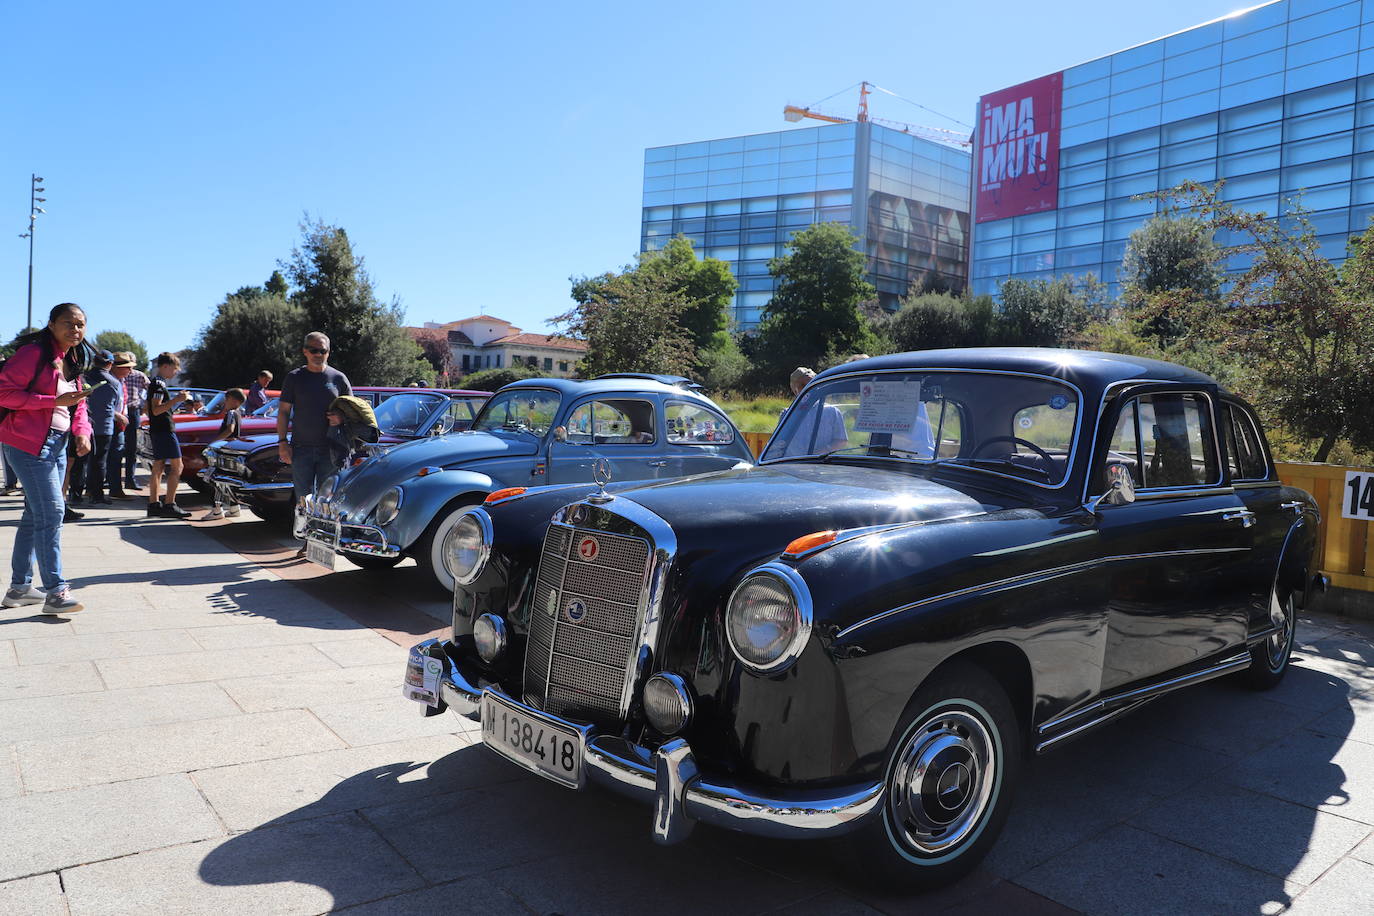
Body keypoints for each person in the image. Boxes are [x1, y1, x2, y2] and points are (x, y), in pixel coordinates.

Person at [0, 302, 95, 614]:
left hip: (56, 444)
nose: (75, 329)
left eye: (80, 324)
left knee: (34, 515)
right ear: (52, 324)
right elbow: (4, 393)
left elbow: (77, 404)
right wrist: (51, 401)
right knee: (53, 513)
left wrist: (82, 431)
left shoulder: (73, 357)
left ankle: (19, 588)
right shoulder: (34, 353)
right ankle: (56, 592)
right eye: (68, 323)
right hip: (27, 444)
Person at [278, 331, 351, 501]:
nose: (318, 354)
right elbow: (283, 411)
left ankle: (325, 528)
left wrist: (341, 418)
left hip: (332, 449)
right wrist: (282, 443)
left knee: (329, 501)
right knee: (303, 501)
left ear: (329, 352)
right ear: (305, 351)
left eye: (322, 351)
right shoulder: (294, 378)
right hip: (301, 449)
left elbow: (353, 411)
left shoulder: (339, 378)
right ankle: (302, 528)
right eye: (313, 350)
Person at [71, 350, 122, 506]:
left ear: (94, 361)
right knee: (99, 462)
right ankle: (96, 495)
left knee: (79, 461)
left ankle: (75, 494)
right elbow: (117, 405)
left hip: (82, 425)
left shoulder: (82, 378)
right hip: (104, 426)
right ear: (110, 364)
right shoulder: (114, 382)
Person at [145, 352, 192, 519]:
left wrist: (171, 407)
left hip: (158, 429)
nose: (176, 371)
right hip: (164, 429)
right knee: (177, 467)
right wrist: (177, 400)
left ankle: (154, 503)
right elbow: (156, 409)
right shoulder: (158, 384)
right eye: (175, 368)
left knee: (158, 466)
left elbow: (150, 408)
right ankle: (170, 504)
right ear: (165, 366)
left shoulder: (156, 383)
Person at [779, 367, 848, 457]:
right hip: (792, 465)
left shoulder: (832, 411)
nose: (809, 389)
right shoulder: (787, 414)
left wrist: (823, 451)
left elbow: (841, 440)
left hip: (821, 464)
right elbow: (780, 444)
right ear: (795, 390)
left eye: (811, 384)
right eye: (803, 385)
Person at [202, 388, 246, 520]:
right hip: (231, 451)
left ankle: (217, 510)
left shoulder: (231, 413)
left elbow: (230, 429)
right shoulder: (238, 413)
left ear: (234, 401)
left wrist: (215, 441)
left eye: (227, 399)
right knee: (227, 480)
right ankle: (234, 508)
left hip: (223, 450)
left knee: (216, 479)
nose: (225, 402)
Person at [119, 352, 149, 491]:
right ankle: (111, 479)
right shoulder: (116, 375)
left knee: (132, 447)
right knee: (117, 446)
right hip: (119, 412)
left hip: (133, 411)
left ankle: (130, 479)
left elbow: (151, 390)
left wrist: (145, 406)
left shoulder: (140, 375)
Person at [107, 354, 134, 497]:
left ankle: (115, 488)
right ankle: (115, 489)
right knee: (114, 457)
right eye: (127, 367)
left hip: (119, 424)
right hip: (112, 423)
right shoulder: (110, 381)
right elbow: (103, 405)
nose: (130, 370)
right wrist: (118, 416)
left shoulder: (121, 381)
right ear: (116, 368)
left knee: (116, 456)